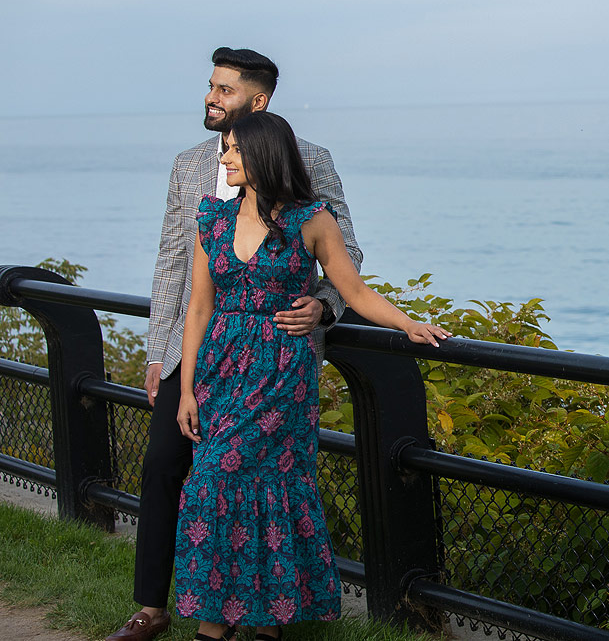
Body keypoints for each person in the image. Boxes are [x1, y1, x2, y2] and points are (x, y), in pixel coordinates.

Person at [108, 48, 363, 641]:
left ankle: (251, 616)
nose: (210, 97)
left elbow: (344, 251)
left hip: (274, 353)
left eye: (224, 89)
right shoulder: (188, 165)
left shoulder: (310, 161)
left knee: (251, 483)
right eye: (210, 85)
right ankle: (152, 607)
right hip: (195, 346)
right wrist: (155, 353)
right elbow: (173, 265)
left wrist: (325, 307)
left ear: (258, 100)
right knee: (165, 466)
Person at [173, 112, 450, 640]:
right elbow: (199, 309)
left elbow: (356, 293)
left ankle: (253, 625)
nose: (224, 158)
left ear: (263, 155)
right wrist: (186, 389)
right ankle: (230, 616)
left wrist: (409, 323)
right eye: (225, 149)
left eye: (233, 149)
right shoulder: (212, 218)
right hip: (220, 371)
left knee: (263, 483)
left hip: (282, 373)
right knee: (212, 481)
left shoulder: (312, 218)